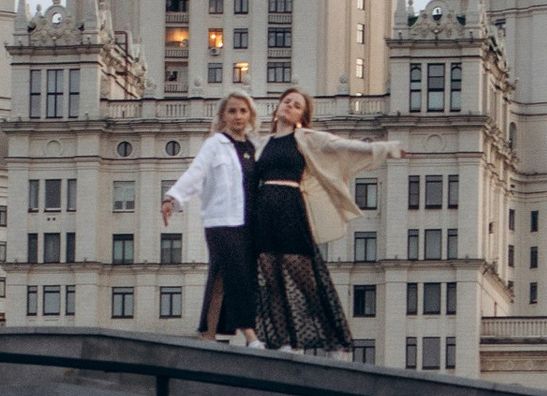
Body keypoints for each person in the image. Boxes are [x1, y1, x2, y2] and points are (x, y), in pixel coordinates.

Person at [246, 88, 389, 355]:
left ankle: (334, 340)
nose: (289, 106)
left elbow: (340, 146)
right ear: (277, 108)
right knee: (273, 282)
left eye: (296, 105)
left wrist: (380, 149)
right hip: (264, 213)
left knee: (305, 280)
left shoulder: (305, 139)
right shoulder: (262, 143)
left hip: (290, 209)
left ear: (302, 116)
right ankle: (285, 342)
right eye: (286, 102)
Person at [161, 96, 261, 339]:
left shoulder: (253, 147)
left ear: (250, 115)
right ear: (223, 116)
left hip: (247, 222)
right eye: (232, 111)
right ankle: (251, 336)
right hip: (221, 222)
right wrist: (172, 198)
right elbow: (195, 173)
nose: (238, 116)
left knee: (219, 277)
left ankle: (208, 332)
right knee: (237, 273)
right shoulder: (214, 144)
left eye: (243, 111)